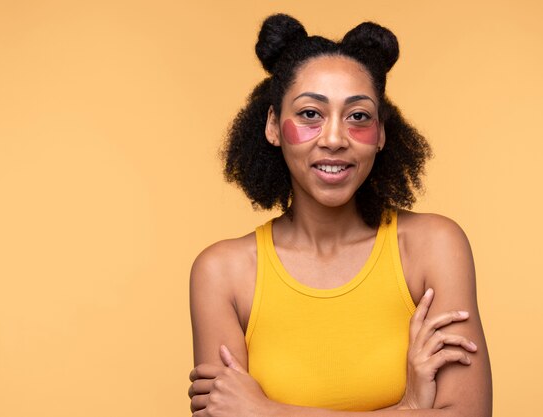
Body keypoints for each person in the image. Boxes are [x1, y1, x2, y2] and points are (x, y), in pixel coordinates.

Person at [188, 14, 492, 417]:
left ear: (381, 133)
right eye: (311, 114)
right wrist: (411, 406)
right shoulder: (222, 273)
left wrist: (270, 412)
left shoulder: (433, 246)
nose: (334, 139)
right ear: (274, 126)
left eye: (358, 117)